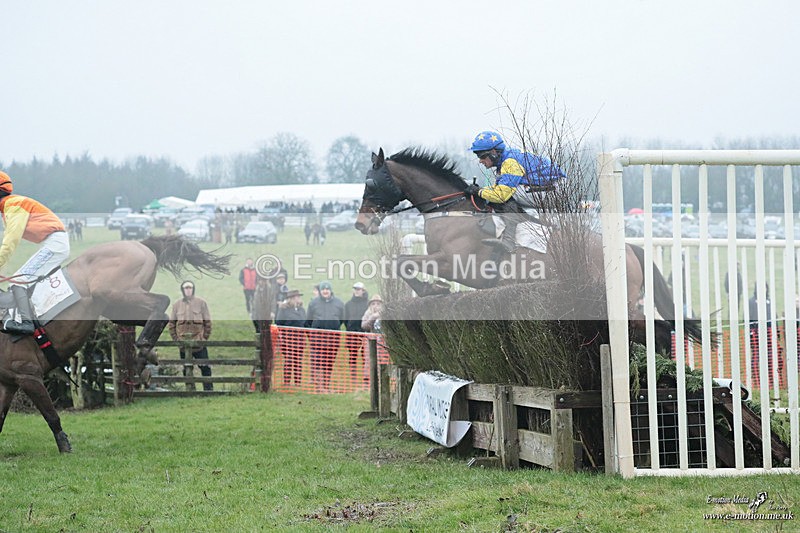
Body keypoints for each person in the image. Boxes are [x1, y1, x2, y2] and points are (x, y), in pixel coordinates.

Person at [464, 131, 565, 252]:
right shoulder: (505, 160)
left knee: (505, 195)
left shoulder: (510, 162)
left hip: (557, 190)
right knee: (501, 192)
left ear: (494, 153)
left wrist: (479, 191)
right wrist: (481, 191)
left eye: (481, 156)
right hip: (547, 188)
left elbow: (501, 195)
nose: (480, 160)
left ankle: (509, 240)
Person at [0, 172, 71, 335]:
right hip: (54, 242)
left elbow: (10, 242)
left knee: (19, 281)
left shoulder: (13, 205)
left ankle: (26, 323)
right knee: (19, 280)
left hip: (55, 244)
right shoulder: (10, 205)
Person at [168, 280, 213, 391]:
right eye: (186, 288)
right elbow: (171, 324)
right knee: (186, 368)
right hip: (183, 345)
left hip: (199, 344)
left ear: (193, 289)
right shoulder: (177, 305)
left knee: (205, 368)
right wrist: (176, 340)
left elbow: (208, 323)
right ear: (182, 290)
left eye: (190, 288)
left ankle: (208, 390)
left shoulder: (201, 303)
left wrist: (204, 338)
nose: (188, 290)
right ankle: (190, 390)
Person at [305, 280, 345, 391]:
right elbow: (308, 321)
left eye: (327, 289)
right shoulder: (313, 303)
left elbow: (342, 319)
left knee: (329, 363)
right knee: (318, 362)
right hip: (317, 339)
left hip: (333, 339)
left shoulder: (339, 303)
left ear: (330, 290)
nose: (325, 291)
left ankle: (326, 385)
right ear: (320, 291)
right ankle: (319, 386)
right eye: (323, 289)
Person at [275, 289, 307, 386]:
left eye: (298, 297)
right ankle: (287, 382)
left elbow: (305, 322)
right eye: (296, 297)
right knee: (289, 360)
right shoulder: (284, 309)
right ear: (291, 299)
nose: (298, 299)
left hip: (300, 339)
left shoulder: (302, 310)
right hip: (288, 339)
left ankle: (298, 382)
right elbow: (279, 323)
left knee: (298, 360)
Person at [343, 282, 370, 383]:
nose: (357, 291)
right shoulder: (348, 304)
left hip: (365, 334)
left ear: (363, 291)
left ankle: (365, 378)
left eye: (359, 289)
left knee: (365, 357)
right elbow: (345, 319)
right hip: (352, 334)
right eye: (355, 289)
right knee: (353, 356)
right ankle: (353, 379)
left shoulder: (368, 303)